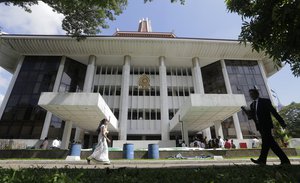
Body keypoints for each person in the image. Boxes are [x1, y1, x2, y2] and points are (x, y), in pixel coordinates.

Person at [241, 89, 290, 165]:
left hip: (266, 125)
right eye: (250, 94)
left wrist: (282, 122)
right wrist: (246, 112)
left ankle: (265, 160)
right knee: (268, 143)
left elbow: (273, 112)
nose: (251, 96)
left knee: (268, 143)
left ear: (257, 94)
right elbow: (252, 117)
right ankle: (266, 160)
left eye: (252, 94)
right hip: (260, 126)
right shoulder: (252, 105)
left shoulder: (265, 101)